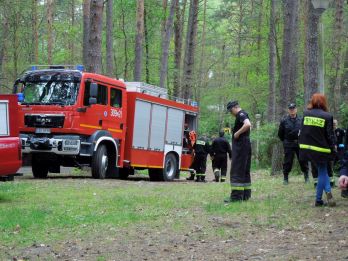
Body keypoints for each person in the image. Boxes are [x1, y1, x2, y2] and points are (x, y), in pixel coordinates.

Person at [299, 93, 336, 207]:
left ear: (312, 102)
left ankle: (319, 200)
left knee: (321, 172)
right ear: (324, 102)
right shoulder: (327, 116)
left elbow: (302, 131)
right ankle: (327, 191)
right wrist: (333, 147)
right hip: (321, 149)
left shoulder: (306, 114)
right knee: (323, 172)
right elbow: (329, 135)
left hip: (307, 148)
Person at [224, 100, 252, 202]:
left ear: (235, 107)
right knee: (244, 171)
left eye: (231, 111)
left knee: (237, 170)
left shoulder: (241, 114)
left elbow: (248, 124)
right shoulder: (244, 114)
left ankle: (236, 197)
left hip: (241, 147)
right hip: (245, 145)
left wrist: (237, 133)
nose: (231, 114)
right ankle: (245, 195)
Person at [278, 103, 309, 185]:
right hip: (288, 143)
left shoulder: (301, 119)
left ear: (296, 109)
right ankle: (285, 178)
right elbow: (280, 134)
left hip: (299, 143)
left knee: (303, 160)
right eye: (290, 109)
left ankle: (306, 176)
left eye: (293, 108)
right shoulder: (284, 121)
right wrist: (285, 141)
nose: (292, 110)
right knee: (288, 161)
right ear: (288, 110)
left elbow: (305, 131)